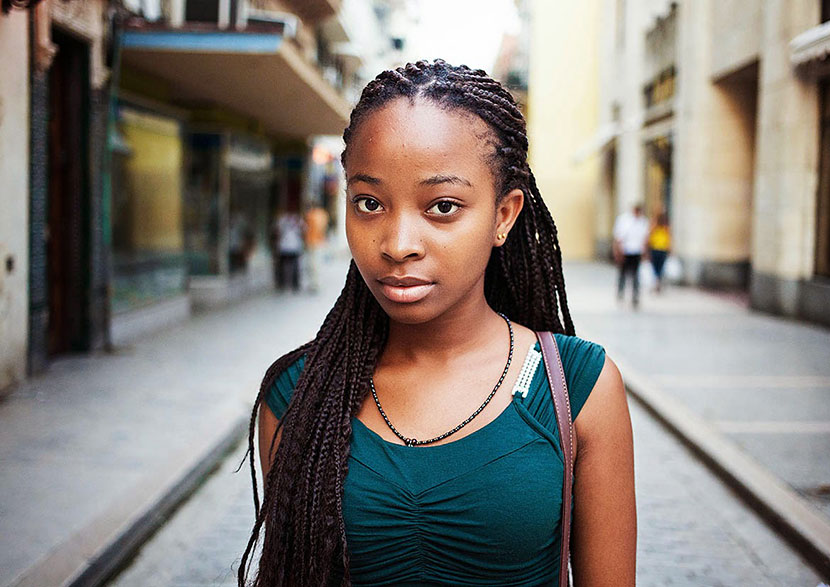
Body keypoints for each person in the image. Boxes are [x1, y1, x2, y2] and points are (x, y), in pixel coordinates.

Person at [240, 60, 636, 587]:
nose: (398, 243)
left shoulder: (578, 387)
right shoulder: (298, 397)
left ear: (503, 215)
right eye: (369, 203)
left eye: (443, 206)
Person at [613, 204, 650, 308]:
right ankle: (620, 292)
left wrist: (645, 252)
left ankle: (635, 296)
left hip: (636, 252)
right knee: (623, 274)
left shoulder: (643, 222)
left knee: (636, 275)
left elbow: (645, 239)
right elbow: (618, 237)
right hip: (625, 251)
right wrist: (618, 251)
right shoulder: (625, 220)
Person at [274, 208, 303, 291]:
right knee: (283, 266)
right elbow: (277, 231)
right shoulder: (282, 220)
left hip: (294, 246)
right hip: (284, 246)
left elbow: (304, 229)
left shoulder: (297, 220)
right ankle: (283, 284)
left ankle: (294, 284)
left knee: (295, 267)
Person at [303, 202, 330, 293]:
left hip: (312, 242)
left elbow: (307, 229)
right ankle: (316, 283)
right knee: (317, 264)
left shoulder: (311, 215)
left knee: (313, 265)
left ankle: (314, 284)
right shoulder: (323, 214)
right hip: (320, 242)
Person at [648, 211, 672, 293]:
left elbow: (668, 237)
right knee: (656, 267)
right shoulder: (655, 226)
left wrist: (669, 248)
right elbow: (650, 235)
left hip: (660, 249)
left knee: (659, 267)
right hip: (657, 249)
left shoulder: (665, 227)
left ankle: (657, 281)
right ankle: (657, 281)